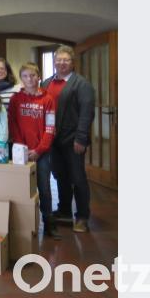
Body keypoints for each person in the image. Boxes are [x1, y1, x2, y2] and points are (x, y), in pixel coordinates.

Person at [41, 45, 96, 233]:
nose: (62, 63)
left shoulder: (82, 84)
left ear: (72, 63)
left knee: (78, 177)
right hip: (53, 141)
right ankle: (64, 211)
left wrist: (81, 138)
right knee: (60, 176)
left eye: (66, 60)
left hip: (73, 139)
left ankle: (82, 217)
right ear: (54, 62)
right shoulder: (46, 83)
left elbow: (86, 113)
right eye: (59, 59)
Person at [9, 63, 59, 240]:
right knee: (22, 189)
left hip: (42, 152)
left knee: (44, 187)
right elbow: (13, 124)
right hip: (20, 151)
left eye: (32, 75)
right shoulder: (16, 99)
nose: (29, 79)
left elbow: (50, 128)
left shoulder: (48, 99)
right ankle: (26, 226)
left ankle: (49, 224)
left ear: (39, 76)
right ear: (21, 79)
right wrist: (22, 147)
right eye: (25, 76)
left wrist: (39, 150)